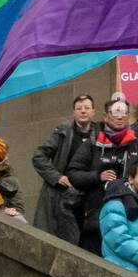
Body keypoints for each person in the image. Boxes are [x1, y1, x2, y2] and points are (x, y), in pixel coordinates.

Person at [66, 97, 138, 255]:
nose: (120, 117)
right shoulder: (92, 143)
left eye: (124, 113)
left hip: (130, 217)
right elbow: (73, 173)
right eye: (115, 113)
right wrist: (98, 176)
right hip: (96, 218)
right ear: (106, 116)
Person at [32, 94, 98, 240]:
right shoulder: (63, 132)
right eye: (78, 108)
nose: (83, 111)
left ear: (93, 112)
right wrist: (56, 177)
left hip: (91, 197)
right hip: (63, 196)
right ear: (73, 113)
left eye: (87, 108)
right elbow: (39, 156)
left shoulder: (101, 134)